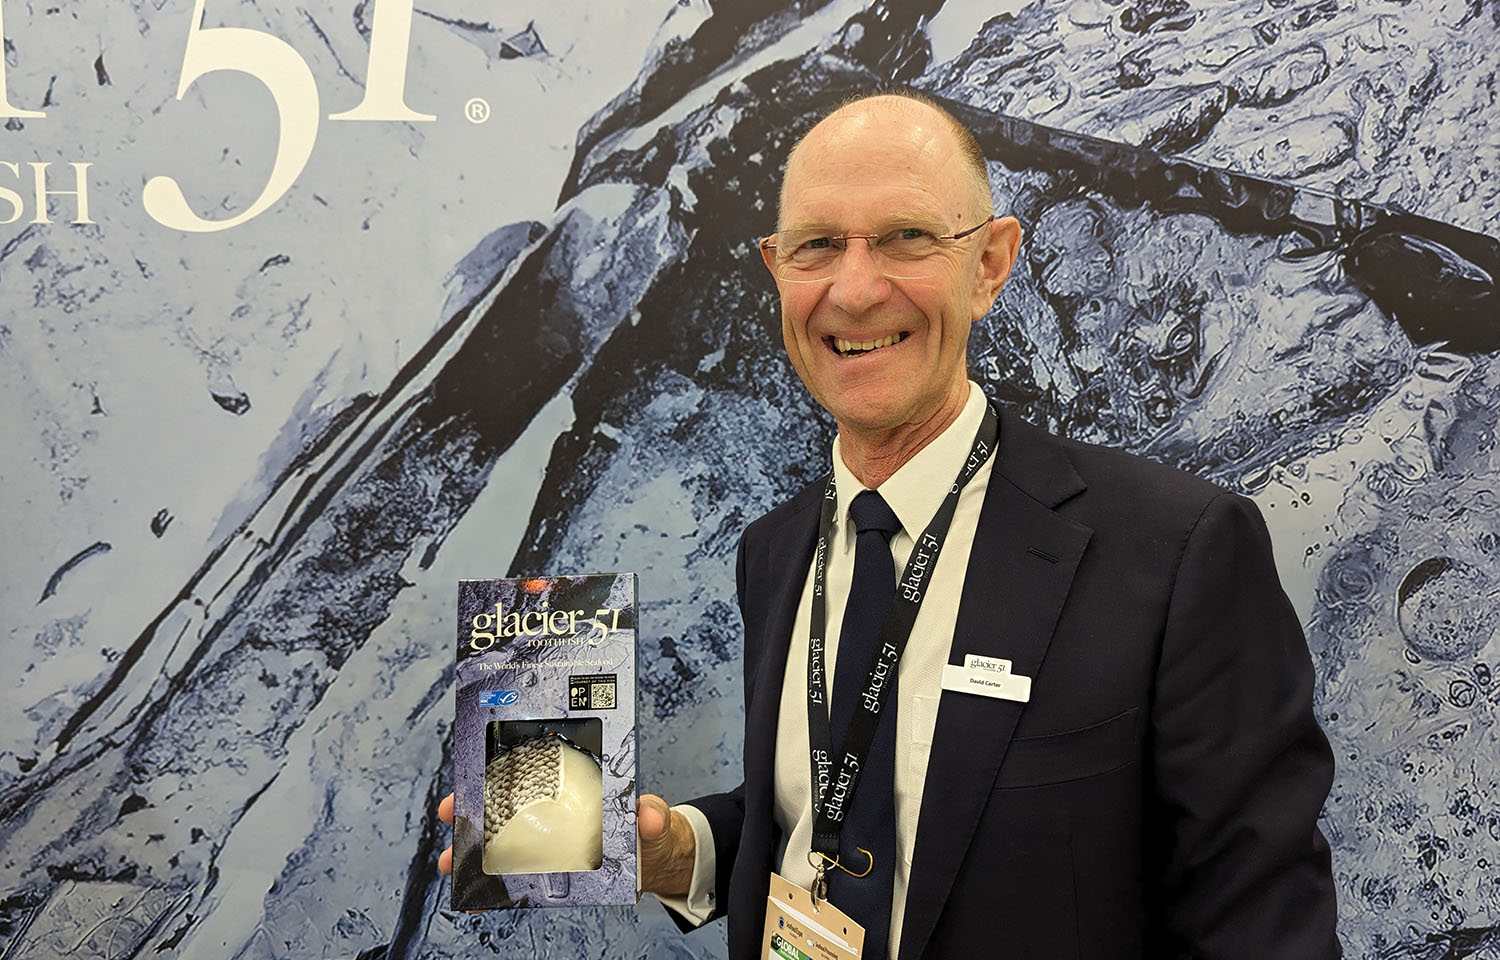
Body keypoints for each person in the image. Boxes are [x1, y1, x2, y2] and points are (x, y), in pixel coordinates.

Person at [442, 90, 1340, 959]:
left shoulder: (1180, 552)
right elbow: (824, 807)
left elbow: (1258, 926)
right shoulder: (775, 550)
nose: (856, 289)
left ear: (989, 263)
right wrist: (681, 852)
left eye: (906, 238)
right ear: (776, 272)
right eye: (817, 246)